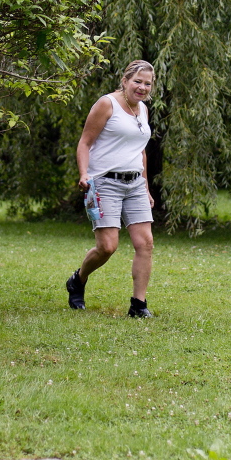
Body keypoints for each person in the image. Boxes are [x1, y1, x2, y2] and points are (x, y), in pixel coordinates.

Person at [66, 60, 155, 317]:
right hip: (105, 182)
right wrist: (84, 174)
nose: (142, 87)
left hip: (135, 183)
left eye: (147, 84)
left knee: (145, 243)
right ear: (125, 80)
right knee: (107, 247)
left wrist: (146, 186)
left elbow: (140, 151)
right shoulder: (107, 104)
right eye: (137, 81)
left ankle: (139, 305)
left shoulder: (143, 110)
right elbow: (85, 143)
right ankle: (78, 280)